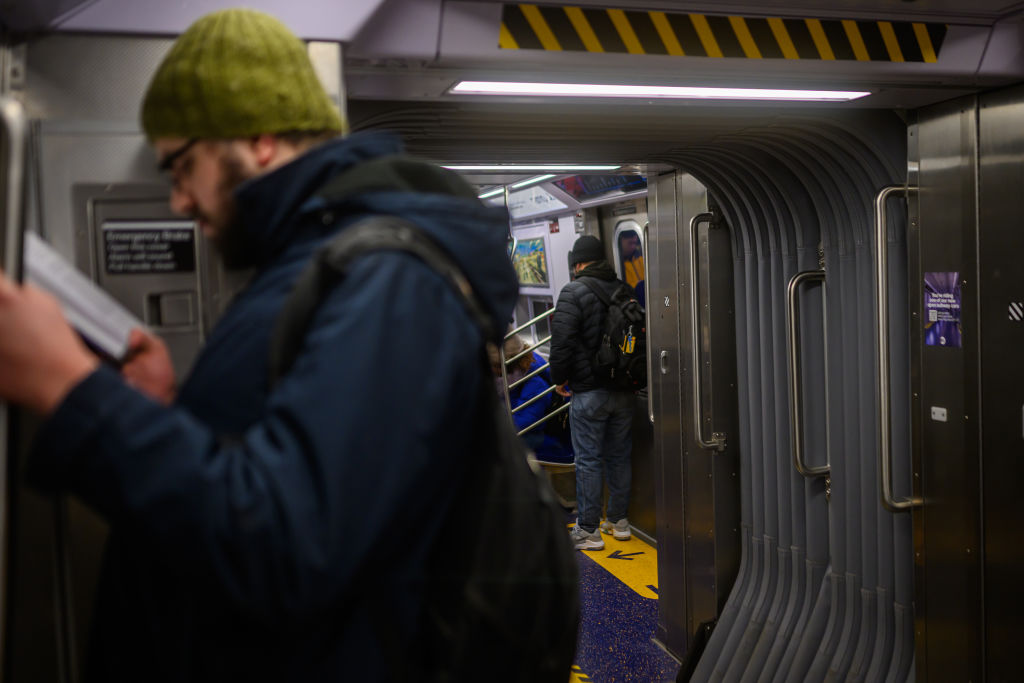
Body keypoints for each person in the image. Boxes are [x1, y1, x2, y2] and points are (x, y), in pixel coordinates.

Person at [0, 9, 518, 681]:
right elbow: (286, 457)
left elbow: (292, 544)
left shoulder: (388, 281)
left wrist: (69, 386)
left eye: (181, 166)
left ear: (259, 138)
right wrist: (168, 409)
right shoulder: (313, 265)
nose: (180, 201)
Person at [549, 235, 635, 551]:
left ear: (579, 264)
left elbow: (562, 343)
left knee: (588, 459)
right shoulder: (623, 289)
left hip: (588, 392)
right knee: (619, 456)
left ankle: (588, 529)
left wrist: (559, 379)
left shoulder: (573, 292)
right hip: (625, 391)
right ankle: (619, 521)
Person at [490, 334, 573, 464]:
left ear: (503, 365)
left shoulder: (534, 382)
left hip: (542, 437)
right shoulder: (505, 378)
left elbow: (524, 423)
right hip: (517, 429)